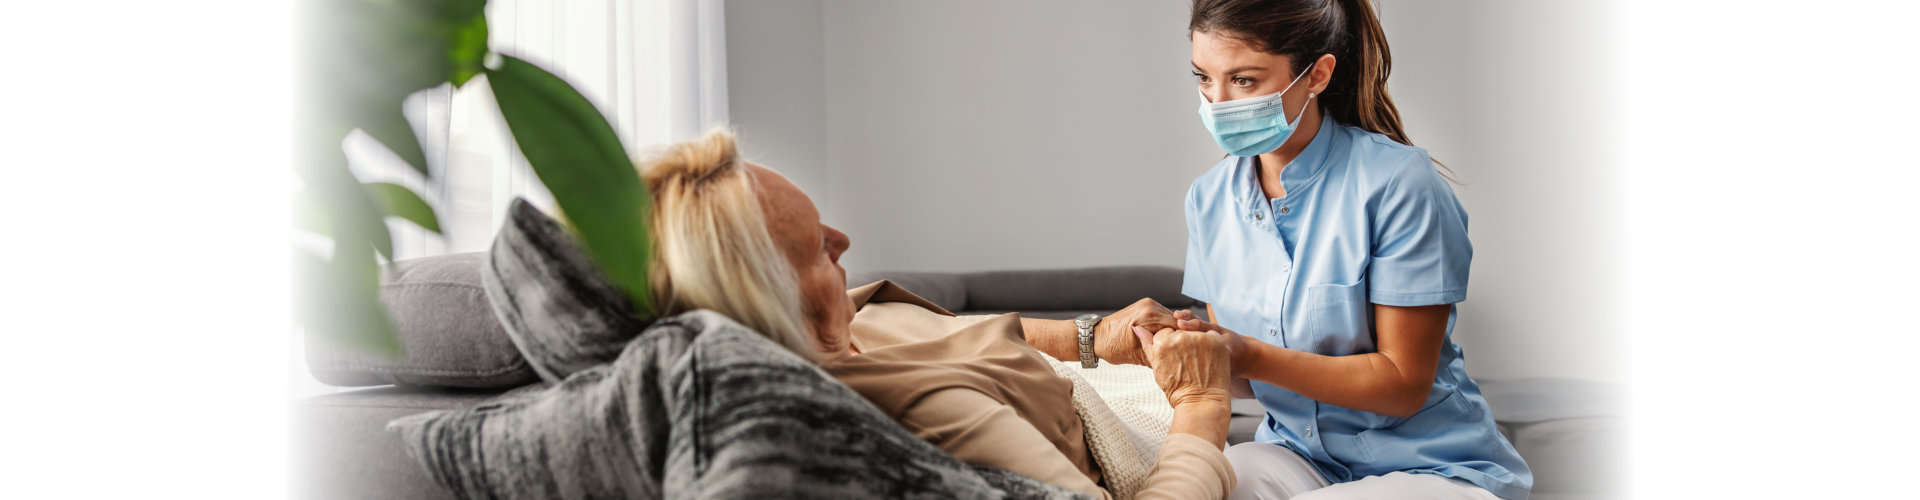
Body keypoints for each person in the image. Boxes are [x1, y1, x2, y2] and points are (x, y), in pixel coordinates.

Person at [635, 128, 1239, 499]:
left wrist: (1093, 336)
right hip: (1152, 436)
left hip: (1108, 381)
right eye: (819, 248)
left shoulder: (844, 317)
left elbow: (966, 337)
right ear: (771, 300)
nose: (844, 239)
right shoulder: (934, 413)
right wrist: (1202, 405)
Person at [1176, 0, 1530, 499]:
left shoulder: (1398, 182)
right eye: (1204, 78)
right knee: (1208, 482)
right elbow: (1242, 384)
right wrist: (1192, 346)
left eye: (1244, 81)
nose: (1217, 101)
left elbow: (1403, 384)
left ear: (1317, 75)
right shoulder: (1208, 199)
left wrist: (1249, 355)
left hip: (1433, 469)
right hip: (1299, 457)